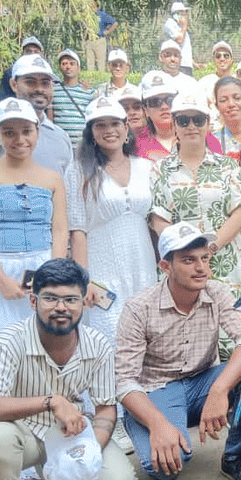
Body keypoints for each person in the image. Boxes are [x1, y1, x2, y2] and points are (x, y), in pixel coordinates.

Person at [0, 258, 137, 480]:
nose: (61, 307)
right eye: (51, 298)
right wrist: (51, 402)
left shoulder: (97, 344)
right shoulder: (9, 341)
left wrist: (86, 452)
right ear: (33, 301)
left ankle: (58, 477)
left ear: (84, 303)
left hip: (69, 433)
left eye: (71, 299)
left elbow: (106, 407)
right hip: (24, 434)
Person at [116, 222, 241, 480]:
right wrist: (157, 424)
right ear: (165, 266)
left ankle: (235, 457)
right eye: (188, 260)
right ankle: (140, 421)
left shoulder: (216, 292)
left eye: (204, 258)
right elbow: (125, 381)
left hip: (202, 383)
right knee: (165, 468)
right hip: (158, 390)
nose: (201, 268)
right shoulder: (139, 307)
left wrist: (219, 389)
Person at [0, 98, 68, 480]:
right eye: (9, 131)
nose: (18, 138)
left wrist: (50, 280)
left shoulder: (51, 177)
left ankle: (44, 452)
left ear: (37, 132)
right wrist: (2, 279)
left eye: (25, 130)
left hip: (42, 272)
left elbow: (60, 230)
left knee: (43, 357)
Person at [66, 96, 156, 454]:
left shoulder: (147, 167)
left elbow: (155, 220)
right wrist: (84, 279)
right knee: (106, 343)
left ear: (126, 126)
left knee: (142, 341)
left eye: (115, 123)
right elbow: (77, 229)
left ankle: (141, 415)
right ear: (91, 131)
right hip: (102, 268)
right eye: (100, 125)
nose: (109, 130)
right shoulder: (78, 171)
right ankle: (109, 417)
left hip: (142, 265)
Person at [150, 91, 241, 360]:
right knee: (186, 342)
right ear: (174, 125)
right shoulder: (161, 169)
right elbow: (158, 218)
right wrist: (187, 252)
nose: (191, 126)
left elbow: (240, 209)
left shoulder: (227, 165)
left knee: (237, 339)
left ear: (208, 124)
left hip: (227, 264)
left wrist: (211, 247)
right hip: (182, 267)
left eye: (197, 120)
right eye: (183, 120)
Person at [0, 54, 73, 185]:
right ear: (13, 84)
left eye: (45, 83)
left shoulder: (60, 138)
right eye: (30, 82)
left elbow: (68, 187)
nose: (39, 89)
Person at [212, 76, 241, 165]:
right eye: (223, 100)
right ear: (217, 106)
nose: (231, 104)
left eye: (237, 98)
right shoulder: (214, 142)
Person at [51, 48, 93, 148]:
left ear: (78, 68)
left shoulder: (89, 91)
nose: (68, 67)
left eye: (72, 63)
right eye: (64, 63)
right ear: (60, 68)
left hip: (83, 147)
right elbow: (50, 120)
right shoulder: (53, 91)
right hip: (60, 145)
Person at [0, 36, 43, 102]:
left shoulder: (45, 74)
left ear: (41, 55)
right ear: (22, 54)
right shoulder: (11, 73)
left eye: (36, 52)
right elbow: (4, 100)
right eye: (28, 51)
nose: (32, 54)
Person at [198, 41, 235, 120]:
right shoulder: (204, 82)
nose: (222, 59)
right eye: (218, 56)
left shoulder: (239, 82)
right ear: (213, 60)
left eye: (226, 56)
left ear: (232, 59)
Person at [162, 1, 195, 75]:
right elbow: (179, 40)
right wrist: (185, 26)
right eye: (183, 13)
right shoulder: (170, 24)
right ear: (177, 14)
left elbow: (183, 48)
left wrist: (195, 64)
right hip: (179, 65)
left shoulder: (181, 27)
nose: (185, 15)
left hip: (187, 65)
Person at [85, 4, 118, 72]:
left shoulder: (102, 15)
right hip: (89, 40)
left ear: (96, 5)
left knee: (100, 62)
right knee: (90, 61)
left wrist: (107, 32)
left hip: (99, 40)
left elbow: (114, 23)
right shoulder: (87, 15)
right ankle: (90, 77)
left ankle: (101, 77)